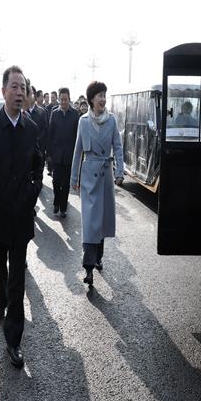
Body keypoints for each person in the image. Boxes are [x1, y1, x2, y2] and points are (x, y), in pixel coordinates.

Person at [0, 65, 43, 368]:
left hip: (21, 215)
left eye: (23, 87)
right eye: (14, 86)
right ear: (3, 91)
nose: (19, 92)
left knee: (17, 278)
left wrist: (32, 192)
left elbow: (38, 166)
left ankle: (14, 339)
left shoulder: (32, 128)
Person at [70, 81, 123, 286]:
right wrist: (74, 178)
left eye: (104, 95)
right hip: (89, 176)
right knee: (90, 221)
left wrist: (119, 172)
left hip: (105, 175)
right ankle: (88, 267)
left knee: (101, 220)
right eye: (99, 95)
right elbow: (77, 151)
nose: (103, 99)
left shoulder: (112, 120)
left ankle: (98, 256)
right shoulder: (83, 121)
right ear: (91, 99)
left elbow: (118, 147)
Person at [47, 87, 79, 218]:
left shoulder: (75, 114)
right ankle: (56, 202)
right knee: (56, 181)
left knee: (66, 184)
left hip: (70, 155)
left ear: (69, 99)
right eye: (61, 100)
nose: (63, 102)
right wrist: (49, 154)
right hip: (56, 155)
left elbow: (77, 136)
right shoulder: (54, 113)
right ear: (59, 100)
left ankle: (63, 207)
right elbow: (50, 134)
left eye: (65, 99)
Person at [26, 85, 49, 159]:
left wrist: (37, 139)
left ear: (35, 95)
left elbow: (45, 129)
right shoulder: (23, 112)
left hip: (39, 148)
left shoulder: (42, 112)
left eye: (31, 94)